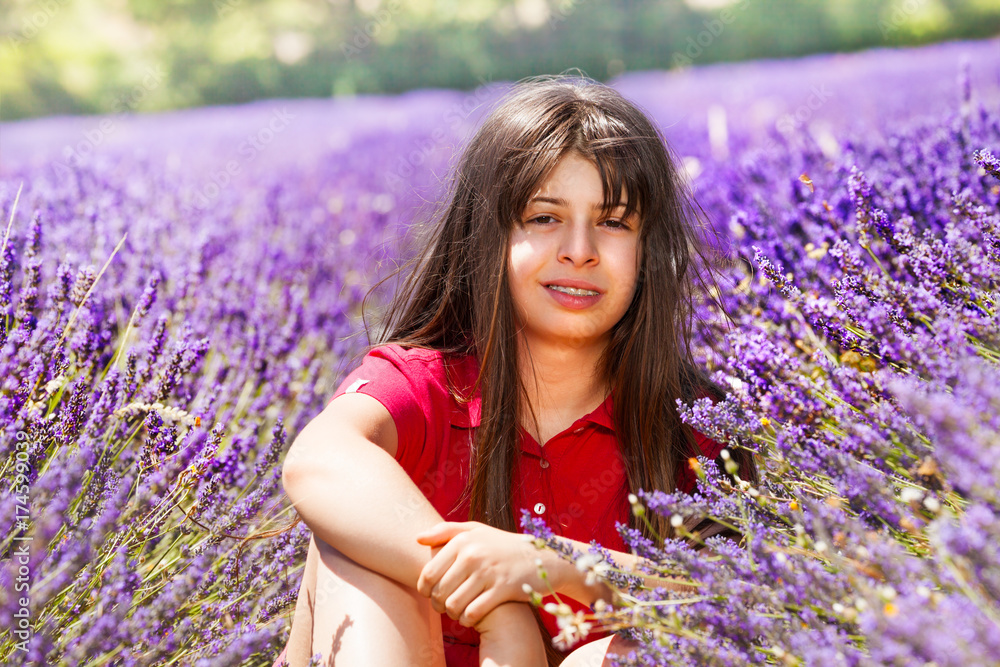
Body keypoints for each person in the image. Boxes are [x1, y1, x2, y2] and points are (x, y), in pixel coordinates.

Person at [272, 74, 757, 667]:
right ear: (490, 238)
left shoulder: (689, 425)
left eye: (613, 222)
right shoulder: (428, 388)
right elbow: (319, 459)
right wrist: (497, 606)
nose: (579, 250)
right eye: (544, 218)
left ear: (648, 247)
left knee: (635, 650)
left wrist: (545, 565)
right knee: (355, 552)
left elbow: (737, 598)